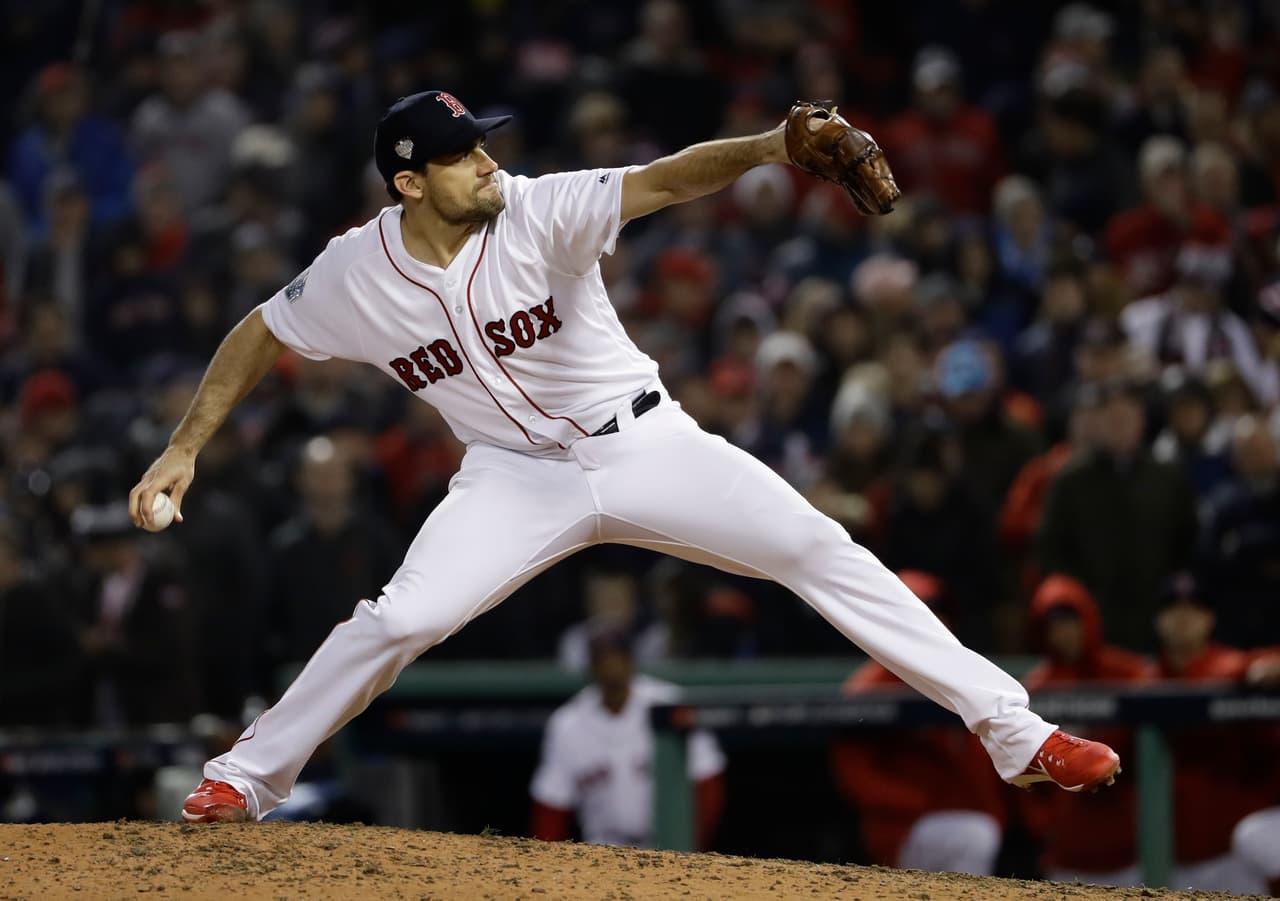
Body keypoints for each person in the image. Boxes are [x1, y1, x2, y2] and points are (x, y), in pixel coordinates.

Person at [127, 90, 1120, 824]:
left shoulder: (534, 207)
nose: (486, 164)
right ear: (408, 183)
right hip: (510, 476)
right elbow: (260, 330)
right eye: (462, 156)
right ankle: (246, 777)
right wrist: (184, 447)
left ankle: (1015, 734)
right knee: (398, 618)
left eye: (482, 147)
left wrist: (774, 146)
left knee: (819, 549)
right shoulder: (355, 270)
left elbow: (663, 178)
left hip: (643, 441)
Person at [830, 571, 1006, 876]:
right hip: (901, 826)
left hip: (956, 815)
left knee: (980, 833)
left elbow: (980, 763)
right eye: (925, 614)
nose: (936, 624)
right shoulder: (871, 687)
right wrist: (916, 802)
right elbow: (854, 774)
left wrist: (994, 812)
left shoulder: (961, 677)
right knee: (976, 837)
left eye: (940, 614)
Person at [530, 627, 724, 849]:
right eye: (603, 659)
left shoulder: (669, 702)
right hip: (600, 852)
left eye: (618, 657)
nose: (612, 668)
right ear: (590, 667)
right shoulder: (567, 723)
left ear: (631, 661)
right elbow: (552, 804)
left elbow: (708, 779)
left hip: (666, 848)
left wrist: (690, 845)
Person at [1018, 574, 1150, 886]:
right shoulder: (1037, 689)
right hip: (1068, 851)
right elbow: (1022, 773)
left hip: (1130, 846)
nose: (1065, 633)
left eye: (1071, 621)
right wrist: (1044, 824)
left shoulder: (1128, 673)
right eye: (1055, 625)